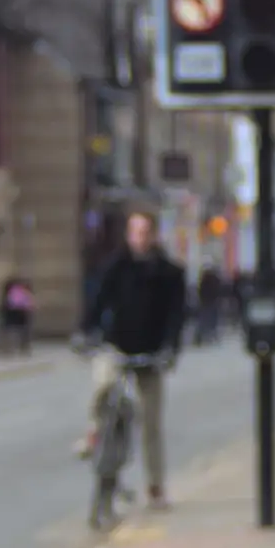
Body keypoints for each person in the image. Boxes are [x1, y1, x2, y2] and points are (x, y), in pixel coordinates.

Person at [74, 209, 187, 510]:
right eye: (134, 232)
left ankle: (156, 486)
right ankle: (94, 432)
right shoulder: (115, 266)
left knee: (151, 422)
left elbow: (176, 316)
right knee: (103, 382)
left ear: (153, 235)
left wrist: (169, 349)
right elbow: (98, 301)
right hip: (118, 346)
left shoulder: (169, 273)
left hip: (150, 354)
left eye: (144, 232)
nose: (139, 238)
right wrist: (86, 332)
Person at [0, 277, 34, 355]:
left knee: (13, 331)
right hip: (19, 312)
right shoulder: (21, 291)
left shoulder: (11, 292)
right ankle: (21, 347)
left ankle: (12, 348)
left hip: (14, 312)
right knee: (20, 331)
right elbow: (28, 303)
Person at [195, 263, 224, 346]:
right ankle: (211, 335)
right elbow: (218, 290)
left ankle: (201, 336)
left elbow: (200, 290)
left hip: (205, 302)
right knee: (212, 319)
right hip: (212, 301)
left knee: (204, 319)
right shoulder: (215, 279)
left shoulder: (204, 280)